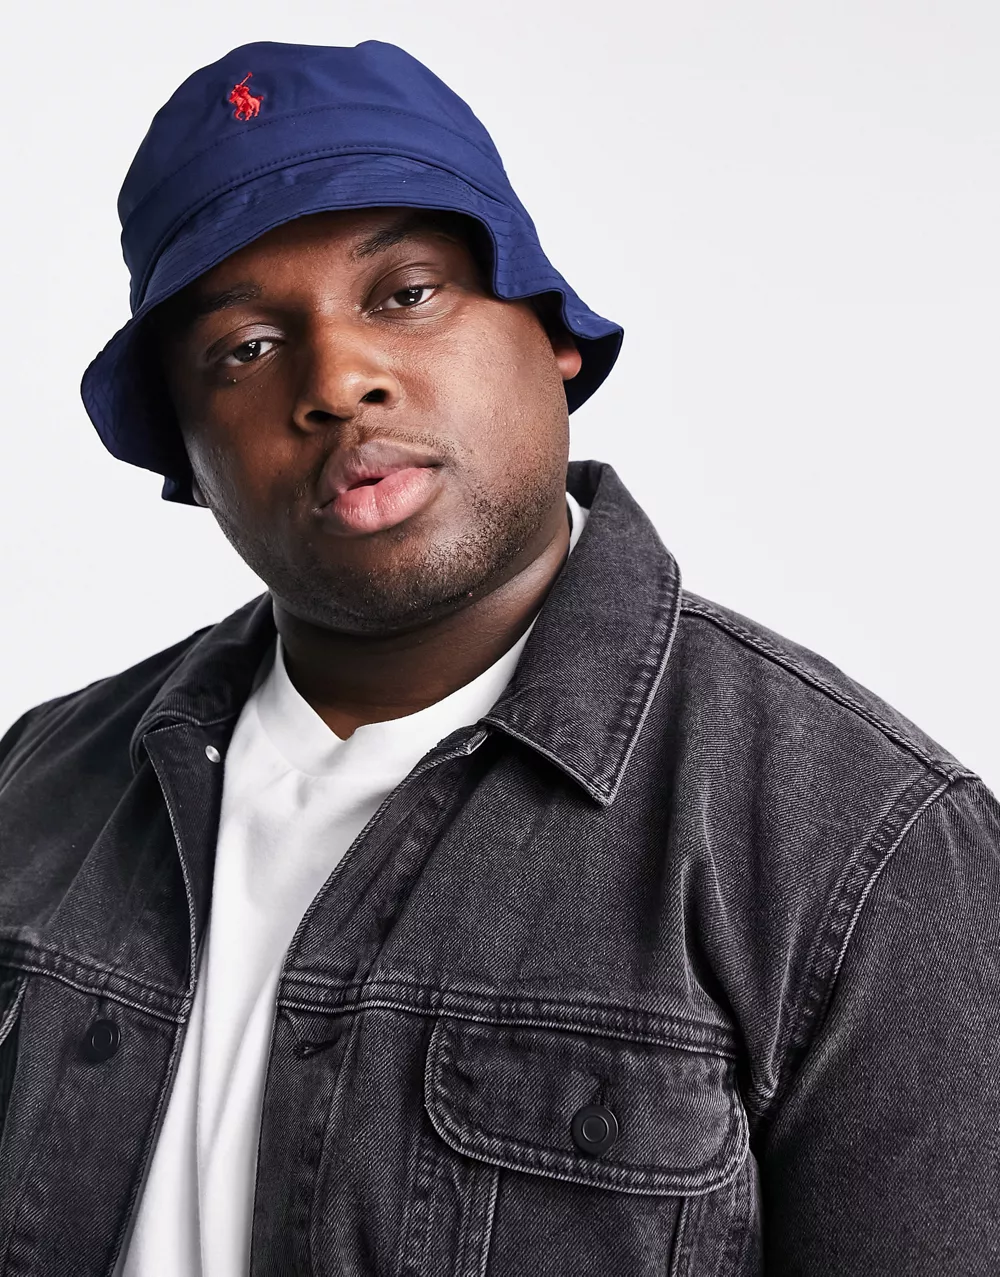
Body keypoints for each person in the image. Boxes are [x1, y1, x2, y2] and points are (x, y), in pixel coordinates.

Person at [0, 38, 996, 1277]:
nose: (338, 380)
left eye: (406, 293)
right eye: (244, 348)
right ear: (188, 459)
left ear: (551, 330)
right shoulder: (38, 784)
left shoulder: (864, 844)